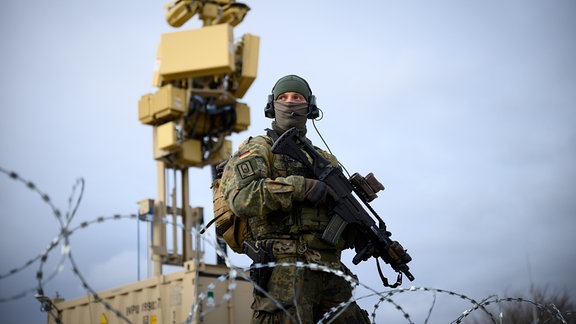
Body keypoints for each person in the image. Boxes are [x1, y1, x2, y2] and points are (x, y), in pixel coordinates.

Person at [219, 75, 370, 323]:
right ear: (272, 106)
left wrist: (361, 232)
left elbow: (336, 222)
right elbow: (242, 198)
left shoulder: (326, 160)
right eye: (283, 98)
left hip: (330, 271)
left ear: (310, 106)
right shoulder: (259, 148)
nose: (290, 103)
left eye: (297, 98)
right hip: (284, 271)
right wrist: (300, 187)